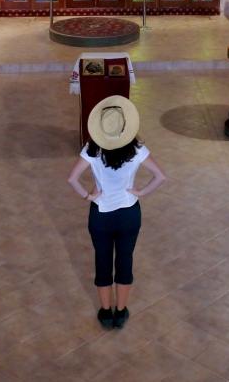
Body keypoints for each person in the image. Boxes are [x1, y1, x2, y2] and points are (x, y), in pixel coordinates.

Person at [67, 96, 166, 330]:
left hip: (100, 215)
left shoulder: (91, 149)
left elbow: (72, 179)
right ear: (124, 126)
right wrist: (140, 191)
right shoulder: (137, 149)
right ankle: (121, 312)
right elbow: (161, 176)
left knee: (102, 261)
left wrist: (88, 196)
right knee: (125, 260)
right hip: (129, 214)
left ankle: (105, 311)